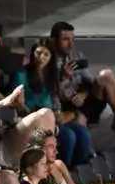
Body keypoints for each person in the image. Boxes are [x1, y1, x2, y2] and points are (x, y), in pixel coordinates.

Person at [13, 39, 92, 168]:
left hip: (54, 118)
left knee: (83, 133)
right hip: (32, 119)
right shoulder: (21, 74)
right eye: (38, 53)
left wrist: (66, 81)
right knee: (68, 136)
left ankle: (77, 171)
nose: (41, 58)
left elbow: (60, 98)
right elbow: (19, 106)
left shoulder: (53, 75)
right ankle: (60, 170)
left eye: (46, 54)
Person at [50, 20, 115, 140]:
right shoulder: (47, 61)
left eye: (72, 39)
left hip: (83, 100)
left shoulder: (76, 56)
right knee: (79, 130)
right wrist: (63, 77)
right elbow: (50, 92)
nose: (71, 45)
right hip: (66, 107)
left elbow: (89, 81)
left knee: (106, 75)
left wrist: (83, 94)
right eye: (65, 40)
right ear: (54, 41)